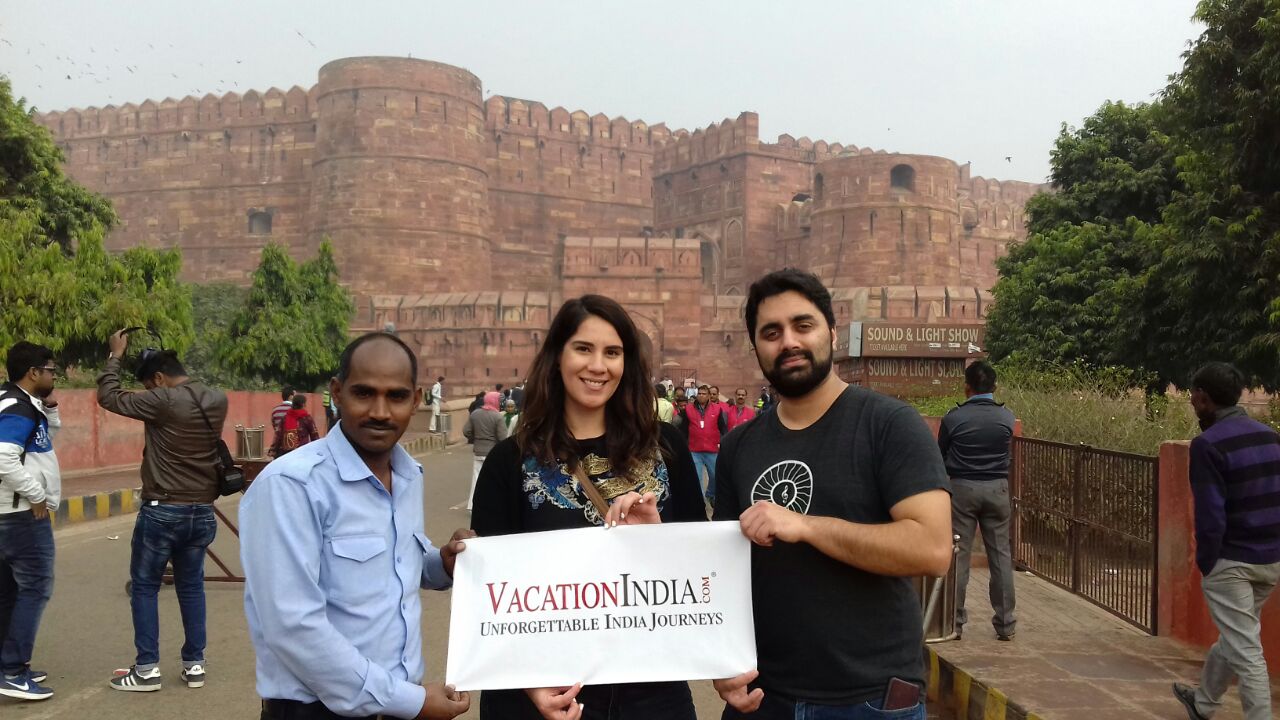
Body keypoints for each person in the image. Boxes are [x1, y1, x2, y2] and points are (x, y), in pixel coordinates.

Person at [713, 269, 952, 719]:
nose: (788, 342)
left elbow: (933, 548)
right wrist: (720, 660)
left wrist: (804, 525)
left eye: (803, 325)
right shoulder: (739, 446)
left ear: (831, 332)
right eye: (771, 332)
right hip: (765, 697)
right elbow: (723, 566)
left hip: (868, 697)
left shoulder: (888, 425)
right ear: (756, 348)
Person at [471, 294, 706, 720]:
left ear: (627, 363)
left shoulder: (666, 448)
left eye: (612, 352)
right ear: (557, 357)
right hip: (548, 692)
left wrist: (659, 538)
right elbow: (491, 595)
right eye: (583, 348)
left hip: (650, 693)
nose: (598, 366)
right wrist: (529, 682)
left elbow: (701, 576)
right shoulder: (510, 461)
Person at [241, 332, 472, 720]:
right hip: (317, 711)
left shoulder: (407, 474)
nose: (380, 411)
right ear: (337, 392)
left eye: (396, 396)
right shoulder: (293, 485)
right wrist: (412, 702)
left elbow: (397, 566)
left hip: (397, 703)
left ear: (415, 400)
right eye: (364, 393)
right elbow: (294, 627)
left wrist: (443, 563)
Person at [97, 332, 226, 692]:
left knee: (144, 587)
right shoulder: (217, 399)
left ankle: (147, 669)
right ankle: (195, 665)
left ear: (157, 379)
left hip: (163, 510)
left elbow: (108, 396)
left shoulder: (163, 401)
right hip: (201, 511)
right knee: (191, 587)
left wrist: (115, 355)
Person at [1172, 362, 1280, 720]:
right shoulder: (1269, 436)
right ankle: (1203, 703)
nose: (1191, 400)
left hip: (1231, 560)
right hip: (1269, 558)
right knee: (1238, 634)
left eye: (1193, 395)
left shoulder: (1207, 445)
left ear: (1204, 397)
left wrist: (1207, 560)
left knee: (1247, 651)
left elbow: (1211, 513)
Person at [0, 342, 61, 702]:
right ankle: (13, 670)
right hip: (21, 515)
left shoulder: (16, 402)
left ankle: (6, 665)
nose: (55, 375)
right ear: (33, 373)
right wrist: (36, 495)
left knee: (9, 592)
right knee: (36, 587)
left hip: (9, 513)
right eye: (51, 369)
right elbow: (4, 457)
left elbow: (40, 443)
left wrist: (49, 411)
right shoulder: (18, 409)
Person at [938, 360, 1016, 642]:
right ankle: (1006, 625)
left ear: (966, 387)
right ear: (994, 387)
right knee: (1001, 556)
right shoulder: (1007, 417)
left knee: (959, 556)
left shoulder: (953, 418)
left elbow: (940, 454)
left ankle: (954, 623)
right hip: (997, 489)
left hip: (962, 490)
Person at [680, 384, 726, 505]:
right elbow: (684, 428)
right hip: (694, 449)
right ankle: (700, 502)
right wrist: (683, 445)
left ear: (709, 396)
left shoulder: (717, 409)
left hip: (712, 449)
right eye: (699, 393)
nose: (701, 396)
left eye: (704, 394)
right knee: (697, 478)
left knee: (715, 475)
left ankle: (710, 494)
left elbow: (722, 427)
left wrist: (724, 442)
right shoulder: (688, 409)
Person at [462, 391, 507, 512]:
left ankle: (472, 505)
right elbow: (503, 438)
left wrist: (475, 438)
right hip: (493, 453)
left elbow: (466, 431)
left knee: (476, 479)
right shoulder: (498, 417)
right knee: (492, 480)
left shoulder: (475, 414)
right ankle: (491, 505)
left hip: (478, 451)